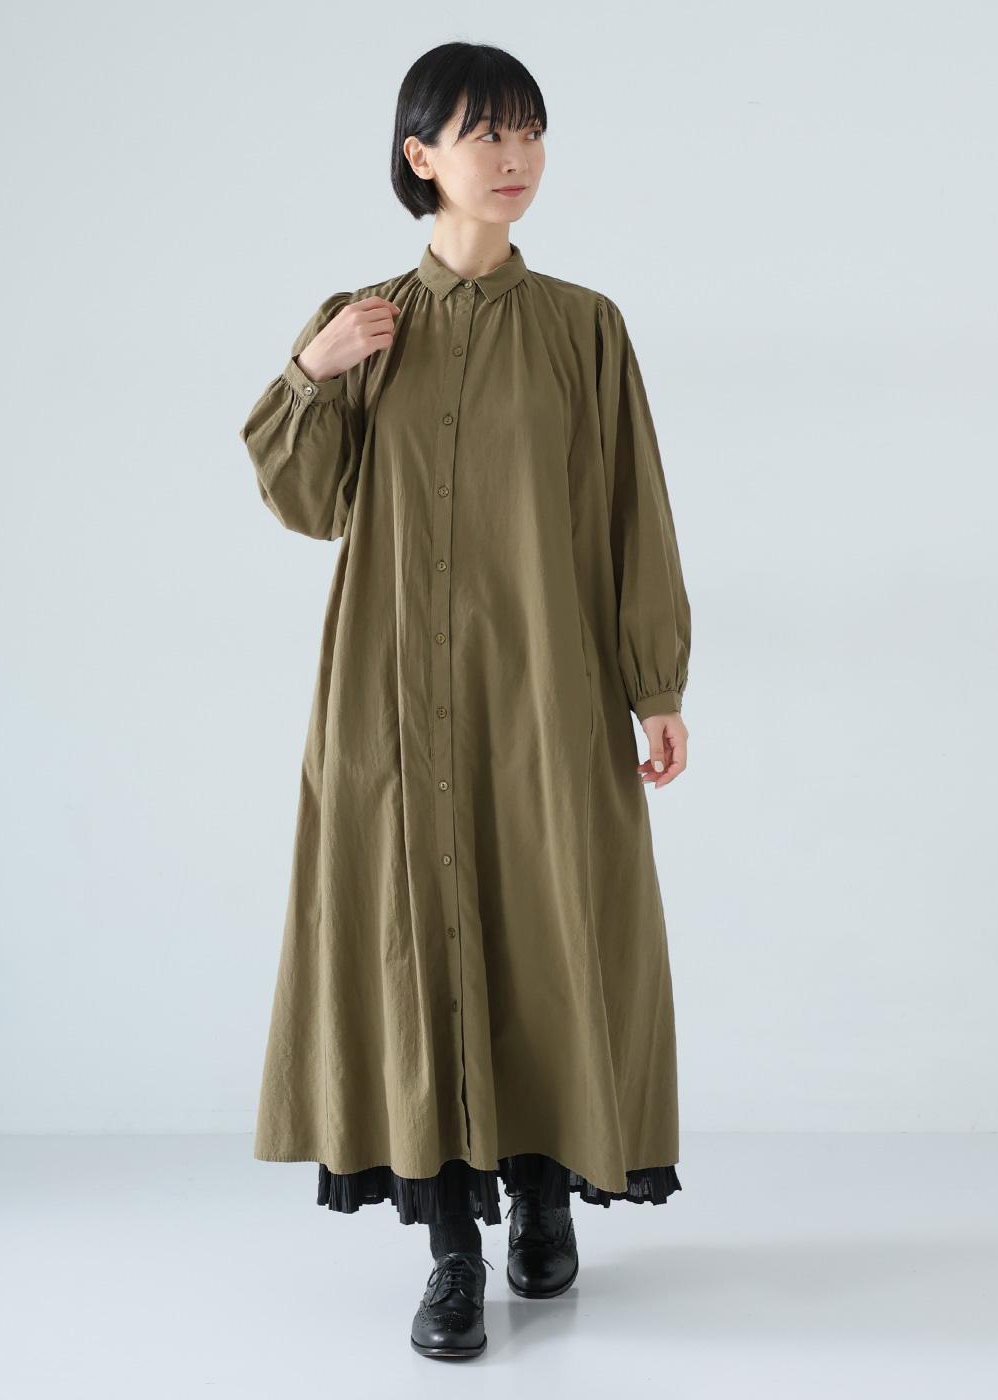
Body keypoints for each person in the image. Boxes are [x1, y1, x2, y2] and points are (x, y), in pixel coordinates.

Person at [238, 40, 691, 1361]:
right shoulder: (362, 321)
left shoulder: (584, 327)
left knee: (550, 924)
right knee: (417, 941)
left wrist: (655, 679)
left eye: (530, 130)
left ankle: (545, 1196)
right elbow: (305, 504)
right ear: (419, 155)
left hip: (547, 690)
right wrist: (313, 370)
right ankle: (451, 1245)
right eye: (485, 131)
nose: (515, 156)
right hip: (391, 697)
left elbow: (635, 510)